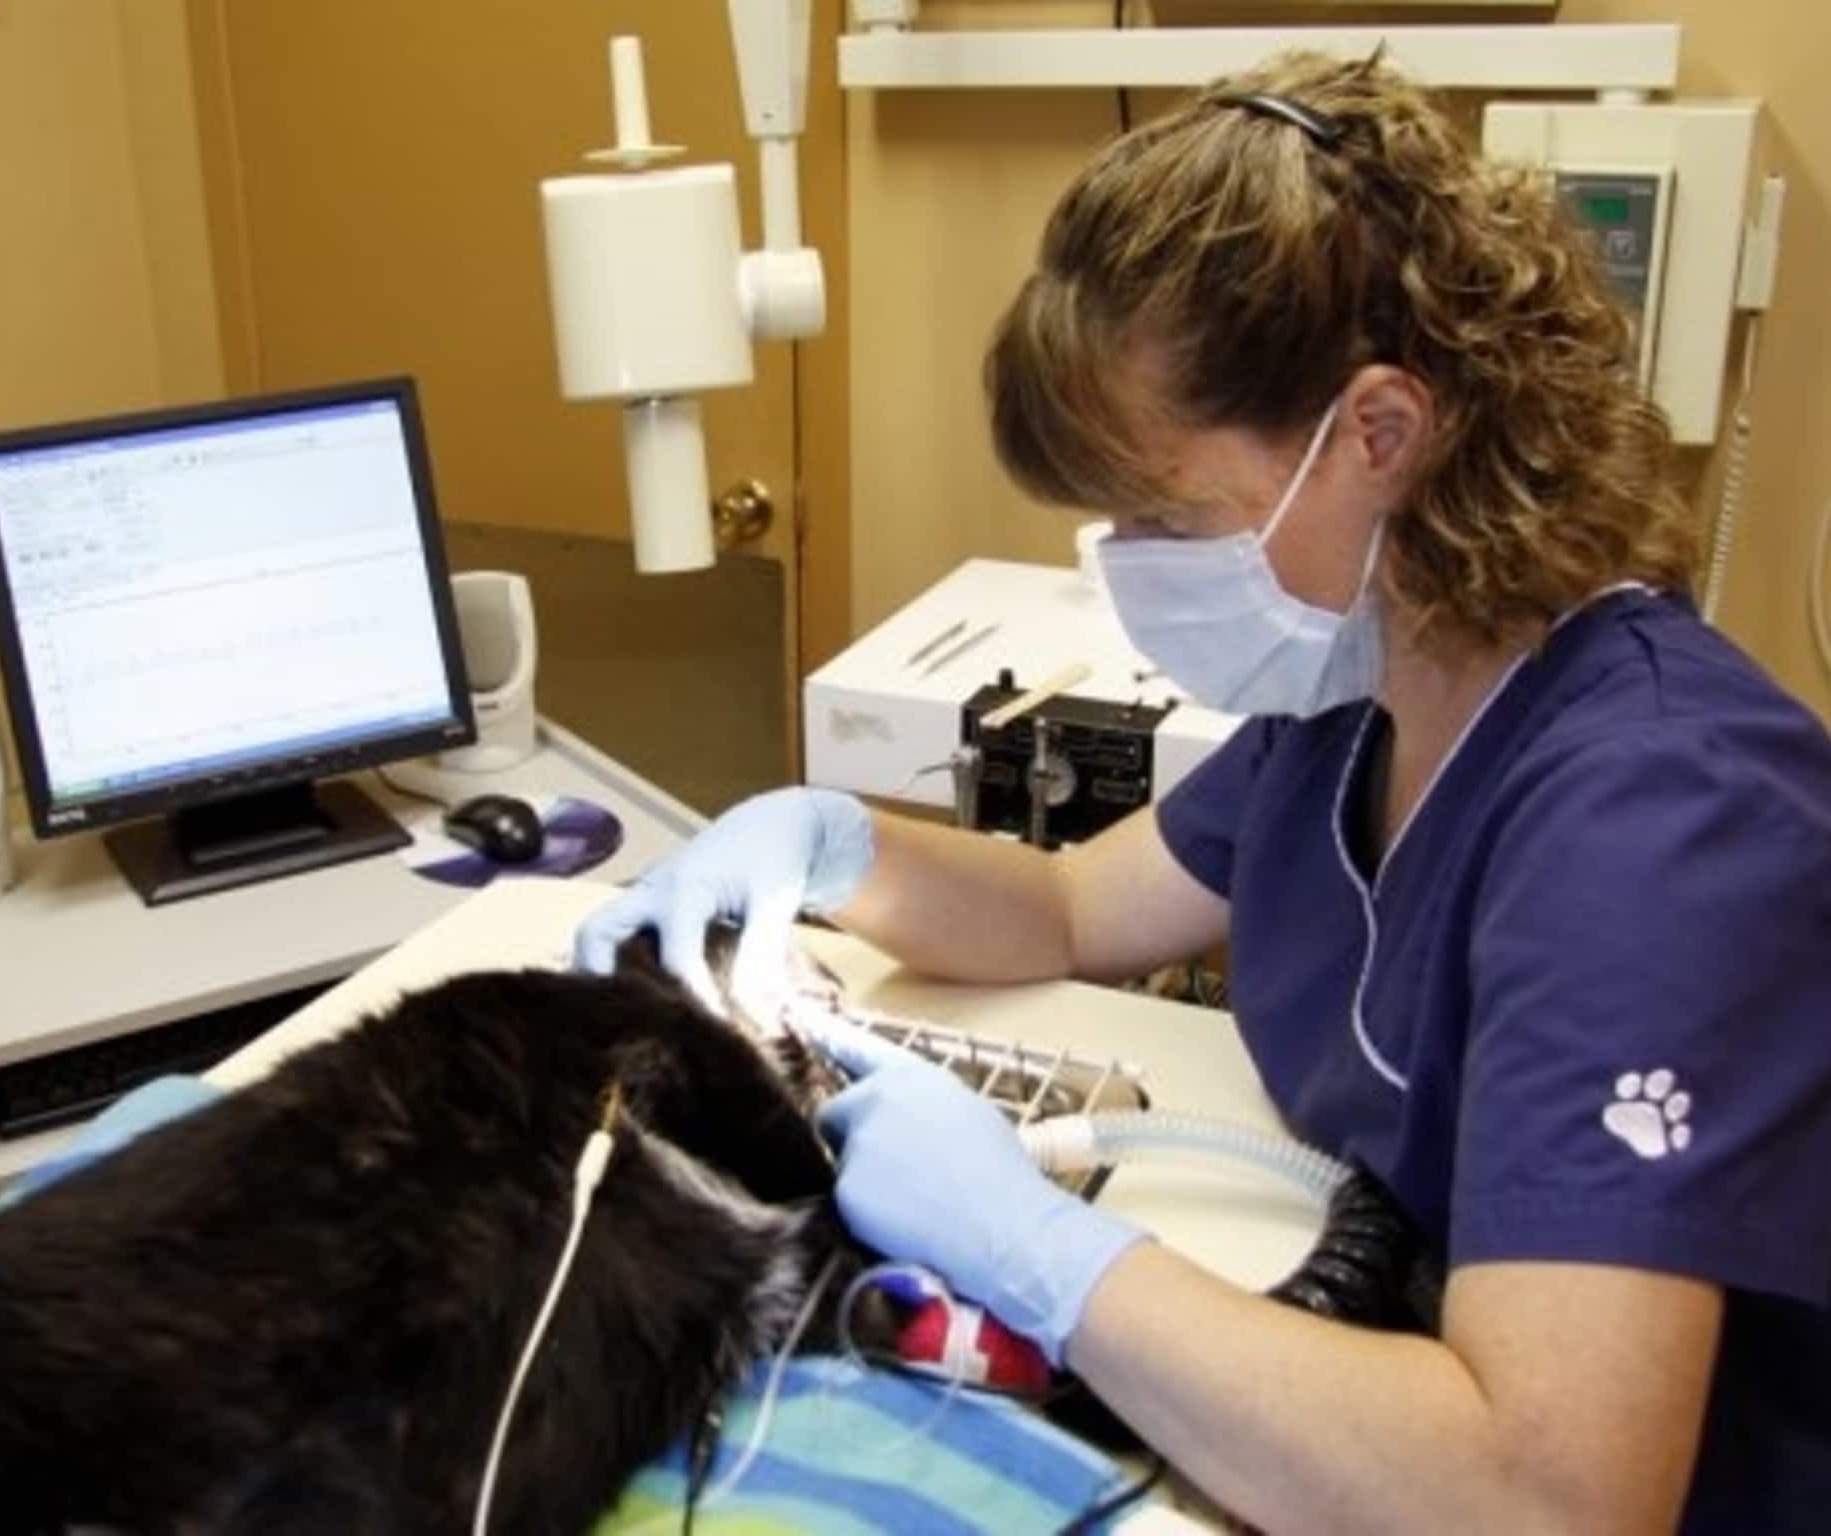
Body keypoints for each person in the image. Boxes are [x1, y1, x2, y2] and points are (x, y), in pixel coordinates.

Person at [576, 52, 1831, 1533]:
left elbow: (1549, 1500)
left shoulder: (1659, 829)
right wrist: (830, 851)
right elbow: (1066, 907)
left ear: (1378, 433)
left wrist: (1040, 1251)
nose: (1132, 563)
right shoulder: (1375, 687)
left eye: (1171, 515)